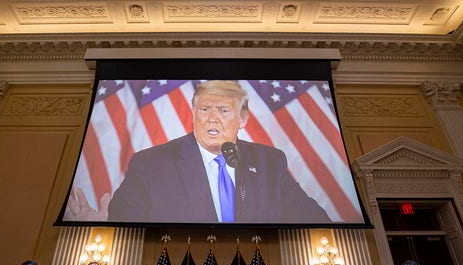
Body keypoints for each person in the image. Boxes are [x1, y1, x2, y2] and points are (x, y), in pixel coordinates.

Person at [107, 80, 330, 223]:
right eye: (205, 109)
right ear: (194, 113)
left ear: (242, 119)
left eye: (223, 111)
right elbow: (121, 221)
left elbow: (315, 219)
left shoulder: (269, 162)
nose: (212, 119)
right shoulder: (151, 164)